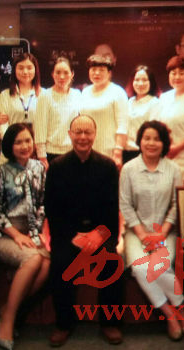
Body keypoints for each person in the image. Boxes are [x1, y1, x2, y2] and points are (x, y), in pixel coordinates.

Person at [44, 115, 124, 347]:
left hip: (100, 232)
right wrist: (74, 235)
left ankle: (110, 323)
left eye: (87, 132)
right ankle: (63, 324)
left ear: (95, 135)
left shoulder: (108, 166)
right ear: (70, 135)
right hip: (67, 233)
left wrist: (99, 234)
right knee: (60, 263)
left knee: (112, 261)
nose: (82, 137)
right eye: (78, 132)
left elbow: (112, 207)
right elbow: (52, 208)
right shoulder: (57, 167)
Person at [120, 121, 184, 341]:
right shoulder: (128, 169)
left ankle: (181, 309)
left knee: (160, 266)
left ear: (164, 143)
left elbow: (176, 204)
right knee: (141, 268)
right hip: (136, 232)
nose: (151, 143)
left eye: (157, 139)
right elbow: (125, 205)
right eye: (147, 138)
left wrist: (162, 233)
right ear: (139, 141)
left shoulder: (173, 169)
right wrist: (143, 235)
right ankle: (173, 314)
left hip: (165, 231)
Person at [0, 124, 50, 350]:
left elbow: (43, 204)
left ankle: (7, 308)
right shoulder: (0, 172)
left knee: (47, 264)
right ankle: (8, 319)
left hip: (31, 230)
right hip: (3, 233)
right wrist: (15, 235)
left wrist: (38, 232)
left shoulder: (39, 168)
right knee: (33, 258)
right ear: (9, 146)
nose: (24, 146)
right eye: (18, 142)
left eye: (27, 141)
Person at [80, 54, 129, 170]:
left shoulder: (118, 92)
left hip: (109, 151)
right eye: (93, 69)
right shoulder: (85, 92)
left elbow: (123, 125)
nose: (97, 73)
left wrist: (118, 152)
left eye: (102, 70)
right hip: (87, 150)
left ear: (109, 73)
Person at [34, 57, 81, 170]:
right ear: (52, 74)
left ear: (72, 74)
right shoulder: (45, 96)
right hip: (51, 153)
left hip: (74, 152)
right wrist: (42, 157)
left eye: (66, 72)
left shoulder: (77, 95)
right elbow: (40, 127)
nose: (62, 76)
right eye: (58, 72)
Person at [0, 53, 43, 137]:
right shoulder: (5, 95)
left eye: (29, 68)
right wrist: (11, 141)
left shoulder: (44, 94)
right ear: (14, 70)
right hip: (12, 142)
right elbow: (2, 125)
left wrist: (38, 142)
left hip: (38, 142)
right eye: (21, 68)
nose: (25, 72)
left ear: (35, 70)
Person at [123, 66, 161, 163]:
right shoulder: (129, 101)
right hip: (126, 150)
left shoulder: (155, 103)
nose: (140, 84)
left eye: (144, 80)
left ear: (151, 82)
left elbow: (153, 131)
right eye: (137, 80)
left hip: (142, 151)